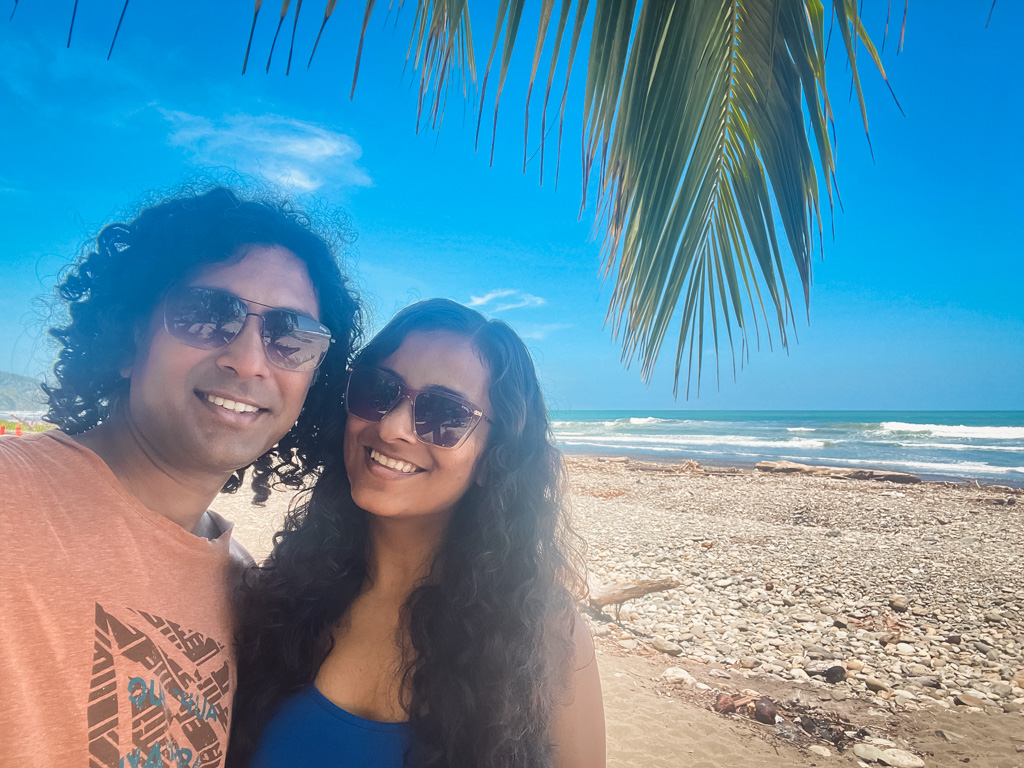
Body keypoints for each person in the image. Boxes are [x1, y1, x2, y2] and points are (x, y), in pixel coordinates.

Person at [0, 186, 361, 768]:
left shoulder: (249, 594)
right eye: (206, 314)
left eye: (291, 338)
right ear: (127, 336)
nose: (248, 359)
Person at [230, 299, 605, 768]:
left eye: (445, 414)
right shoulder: (279, 600)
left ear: (494, 458)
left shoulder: (545, 637)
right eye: (377, 391)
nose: (391, 427)